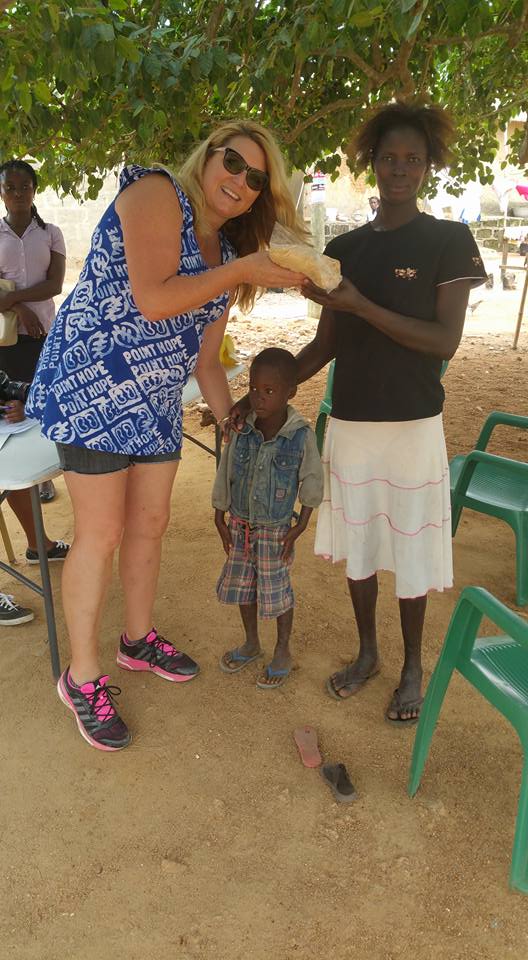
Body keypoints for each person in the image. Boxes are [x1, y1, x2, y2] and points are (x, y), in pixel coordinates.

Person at [25, 121, 308, 750]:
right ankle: (81, 675)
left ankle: (136, 639)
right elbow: (154, 299)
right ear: (207, 157)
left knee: (150, 523)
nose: (239, 181)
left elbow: (207, 361)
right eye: (233, 162)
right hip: (93, 384)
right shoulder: (156, 192)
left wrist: (236, 419)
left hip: (153, 401)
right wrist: (246, 271)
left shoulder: (229, 257)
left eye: (255, 178)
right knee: (100, 533)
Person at [292, 102, 489, 723]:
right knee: (360, 546)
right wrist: (266, 388)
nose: (399, 170)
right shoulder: (345, 247)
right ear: (371, 164)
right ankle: (368, 652)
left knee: (406, 550)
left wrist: (362, 304)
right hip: (351, 422)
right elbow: (326, 344)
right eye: (388, 159)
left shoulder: (448, 240)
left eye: (412, 159)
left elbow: (442, 342)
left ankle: (412, 666)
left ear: (429, 167)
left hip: (411, 426)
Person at [213, 348, 323, 689]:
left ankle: (282, 650)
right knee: (245, 587)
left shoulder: (300, 434)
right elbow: (225, 469)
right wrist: (219, 514)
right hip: (240, 524)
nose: (259, 398)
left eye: (270, 391)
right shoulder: (242, 428)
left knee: (277, 591)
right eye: (254, 388)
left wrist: (301, 524)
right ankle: (251, 643)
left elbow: (313, 479)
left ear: (291, 392)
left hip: (276, 529)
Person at [0, 159, 69, 545]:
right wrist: (21, 307)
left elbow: (55, 284)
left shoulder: (51, 234)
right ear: (2, 193)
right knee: (13, 422)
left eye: (24, 186)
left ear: (34, 189)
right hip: (6, 344)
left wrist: (14, 298)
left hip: (44, 339)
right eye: (10, 187)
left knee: (41, 413)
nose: (18, 193)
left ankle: (42, 479)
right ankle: (35, 542)